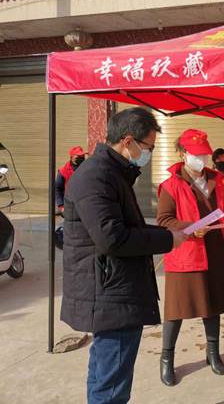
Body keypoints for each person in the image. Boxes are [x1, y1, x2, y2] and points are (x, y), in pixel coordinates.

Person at [61, 107, 187, 404]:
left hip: (114, 288)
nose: (149, 154)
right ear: (128, 141)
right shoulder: (96, 177)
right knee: (112, 385)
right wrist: (168, 239)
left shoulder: (113, 173)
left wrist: (169, 232)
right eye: (148, 147)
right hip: (110, 295)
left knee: (104, 375)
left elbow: (124, 226)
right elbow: (112, 237)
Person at [157, 129, 224, 386]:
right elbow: (164, 220)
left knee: (212, 304)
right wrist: (191, 228)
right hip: (186, 253)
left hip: (214, 249)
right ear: (183, 154)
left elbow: (223, 210)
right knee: (176, 309)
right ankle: (166, 358)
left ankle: (213, 352)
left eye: (205, 154)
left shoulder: (217, 180)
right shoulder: (171, 185)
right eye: (196, 154)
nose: (202, 159)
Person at [56, 145, 86, 212]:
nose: (81, 158)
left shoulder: (87, 169)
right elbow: (58, 189)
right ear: (71, 157)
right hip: (69, 206)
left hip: (84, 205)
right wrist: (61, 206)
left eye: (82, 156)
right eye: (78, 157)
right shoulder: (63, 172)